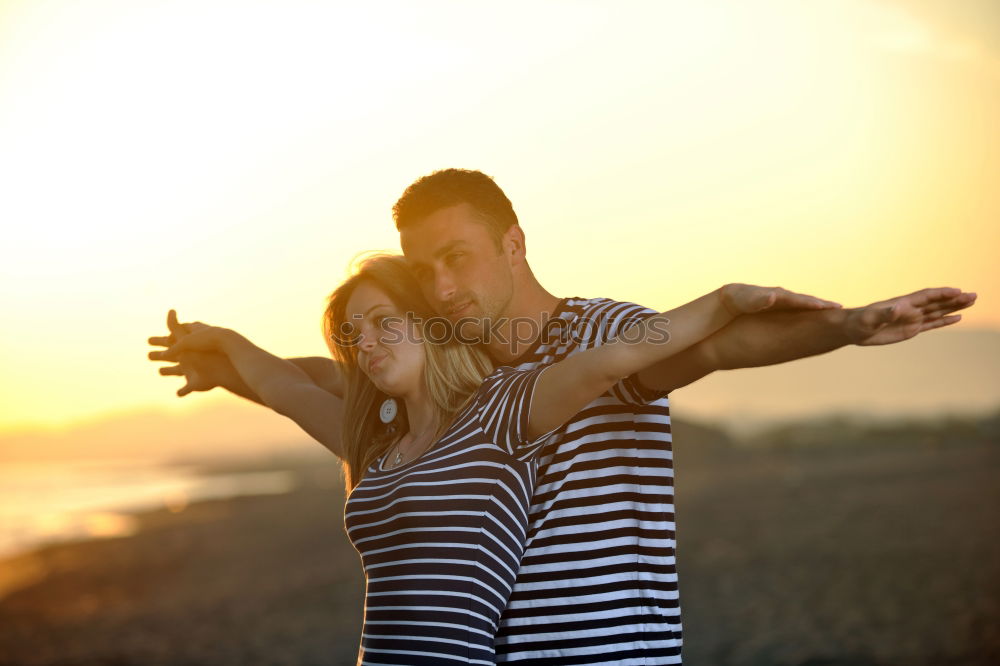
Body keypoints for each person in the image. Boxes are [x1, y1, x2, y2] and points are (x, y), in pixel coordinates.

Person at [150, 169, 976, 664]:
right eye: (424, 269)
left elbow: (720, 347)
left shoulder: (601, 333)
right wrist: (228, 363)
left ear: (513, 243)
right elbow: (339, 380)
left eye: (457, 258)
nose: (440, 287)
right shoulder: (454, 364)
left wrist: (852, 324)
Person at [155, 253, 815, 664]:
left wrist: (726, 300)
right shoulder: (370, 446)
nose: (368, 342)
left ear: (428, 325)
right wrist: (223, 343)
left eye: (386, 320)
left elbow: (625, 353)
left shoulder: (501, 417)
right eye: (354, 335)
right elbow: (285, 387)